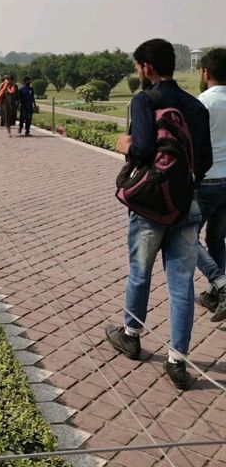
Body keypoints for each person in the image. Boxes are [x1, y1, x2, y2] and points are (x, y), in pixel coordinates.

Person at [105, 38, 212, 390]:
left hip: (151, 206)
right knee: (181, 283)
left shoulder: (144, 100)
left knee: (140, 272)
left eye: (138, 67)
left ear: (147, 67)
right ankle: (177, 360)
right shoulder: (195, 107)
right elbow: (205, 161)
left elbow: (144, 149)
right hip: (187, 204)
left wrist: (125, 144)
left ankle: (132, 334)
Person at [195, 48, 226, 322]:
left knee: (183, 238)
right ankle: (214, 293)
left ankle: (221, 284)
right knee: (216, 238)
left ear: (205, 73)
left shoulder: (201, 103)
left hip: (207, 181)